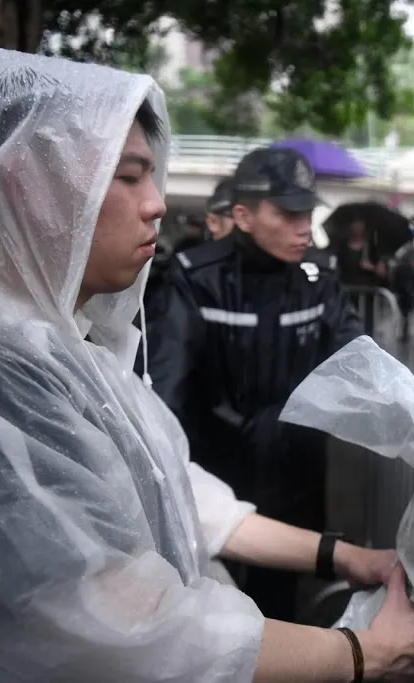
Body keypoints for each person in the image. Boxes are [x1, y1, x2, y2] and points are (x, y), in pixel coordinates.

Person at [0, 48, 414, 683]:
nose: (155, 203)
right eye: (128, 177)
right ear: (26, 183)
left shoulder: (69, 346)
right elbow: (112, 624)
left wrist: (344, 557)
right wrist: (366, 654)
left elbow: (182, 494)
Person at [146, 147, 363, 623]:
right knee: (212, 612)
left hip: (295, 480)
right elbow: (166, 389)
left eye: (308, 212)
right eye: (287, 214)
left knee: (280, 611)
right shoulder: (196, 280)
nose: (304, 226)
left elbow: (361, 362)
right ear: (241, 215)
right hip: (216, 480)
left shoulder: (318, 278)